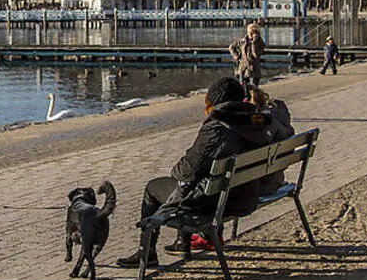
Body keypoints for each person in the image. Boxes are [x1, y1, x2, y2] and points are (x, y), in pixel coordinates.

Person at [116, 77, 271, 268]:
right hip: (245, 196)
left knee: (155, 187)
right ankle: (182, 242)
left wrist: (181, 164)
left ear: (215, 100)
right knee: (196, 182)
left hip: (219, 202)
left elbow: (185, 171)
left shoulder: (218, 127)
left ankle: (146, 253)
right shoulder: (255, 123)